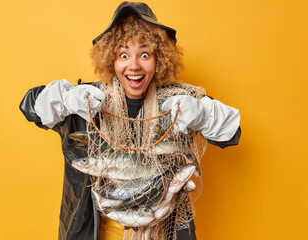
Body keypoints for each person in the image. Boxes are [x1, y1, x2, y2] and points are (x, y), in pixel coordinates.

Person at [19, 2, 241, 240]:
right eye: (123, 54)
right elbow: (30, 107)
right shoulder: (87, 100)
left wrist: (202, 114)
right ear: (110, 59)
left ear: (159, 58)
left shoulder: (180, 103)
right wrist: (65, 100)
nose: (134, 65)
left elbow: (232, 134)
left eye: (144, 54)